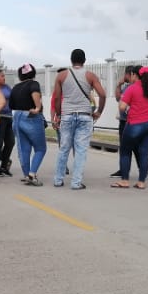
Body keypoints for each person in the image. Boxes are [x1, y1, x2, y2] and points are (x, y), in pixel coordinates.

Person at [51, 49, 106, 190]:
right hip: (84, 116)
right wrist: (99, 111)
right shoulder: (90, 75)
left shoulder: (62, 76)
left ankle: (58, 180)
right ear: (84, 60)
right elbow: (102, 94)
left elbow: (56, 97)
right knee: (80, 150)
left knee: (64, 148)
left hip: (67, 115)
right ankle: (76, 182)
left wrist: (59, 114)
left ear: (71, 60)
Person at [113, 66, 148, 190]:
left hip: (134, 124)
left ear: (134, 75)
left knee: (125, 152)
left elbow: (122, 107)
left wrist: (129, 110)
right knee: (144, 153)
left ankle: (124, 180)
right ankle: (141, 182)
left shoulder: (131, 88)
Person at [10, 64, 47, 186]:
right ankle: (32, 174)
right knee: (40, 148)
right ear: (33, 73)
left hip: (17, 117)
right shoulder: (33, 84)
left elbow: (11, 105)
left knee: (24, 149)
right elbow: (35, 93)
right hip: (31, 116)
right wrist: (37, 107)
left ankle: (26, 174)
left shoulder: (15, 87)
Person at [110, 66, 138, 178]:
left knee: (136, 147)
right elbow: (118, 98)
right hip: (123, 120)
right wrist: (118, 85)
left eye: (125, 74)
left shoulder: (135, 87)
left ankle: (144, 167)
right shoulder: (126, 87)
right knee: (123, 147)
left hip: (133, 121)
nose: (124, 77)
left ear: (130, 74)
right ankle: (123, 169)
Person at [0, 67, 15, 177]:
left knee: (10, 142)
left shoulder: (7, 87)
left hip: (9, 117)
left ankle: (4, 165)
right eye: (2, 76)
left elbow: (12, 99)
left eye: (4, 76)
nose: (4, 78)